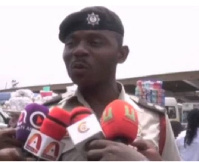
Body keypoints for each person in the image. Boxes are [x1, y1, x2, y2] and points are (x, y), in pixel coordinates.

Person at [0, 6, 180, 161]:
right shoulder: (45, 115)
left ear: (122, 54)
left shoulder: (156, 120)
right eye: (71, 43)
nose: (78, 50)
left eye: (94, 42)